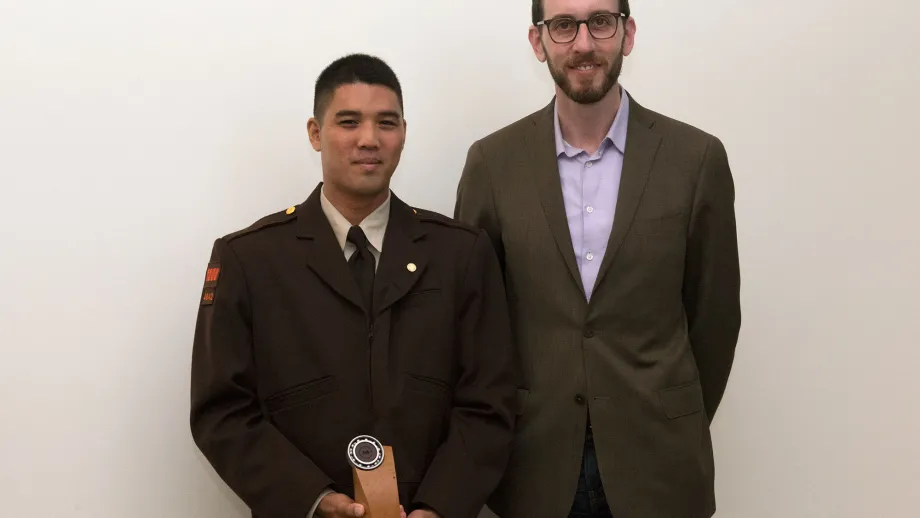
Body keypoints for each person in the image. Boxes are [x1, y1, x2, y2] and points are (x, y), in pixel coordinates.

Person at [190, 54, 516, 518]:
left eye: (386, 123)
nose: (369, 139)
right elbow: (222, 413)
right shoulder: (250, 260)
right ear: (315, 133)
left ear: (404, 133)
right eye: (349, 122)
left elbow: (489, 405)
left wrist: (439, 506)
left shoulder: (460, 253)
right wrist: (314, 499)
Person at [454, 1, 742, 517]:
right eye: (564, 26)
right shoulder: (492, 164)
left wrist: (673, 410)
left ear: (627, 34)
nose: (583, 43)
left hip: (660, 467)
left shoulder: (696, 159)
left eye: (600, 22)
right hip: (532, 468)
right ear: (538, 41)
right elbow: (476, 324)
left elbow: (714, 319)